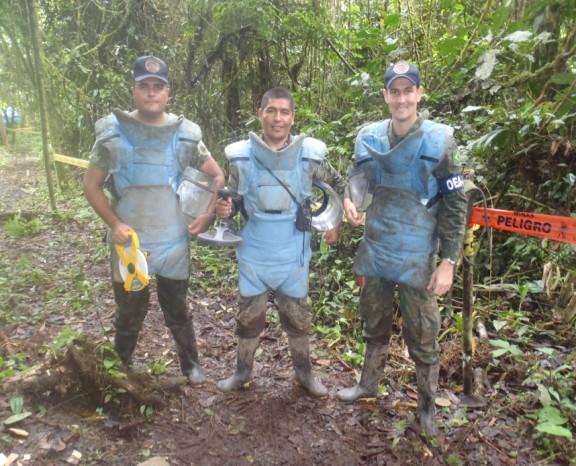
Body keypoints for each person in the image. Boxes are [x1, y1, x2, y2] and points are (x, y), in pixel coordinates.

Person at [336, 61, 468, 436]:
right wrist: (350, 199)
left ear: (419, 95)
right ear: (385, 96)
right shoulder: (369, 136)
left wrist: (448, 261)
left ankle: (426, 408)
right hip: (377, 245)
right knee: (373, 321)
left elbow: (456, 204)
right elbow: (358, 178)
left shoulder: (441, 141)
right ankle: (368, 384)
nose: (401, 98)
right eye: (394, 91)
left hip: (418, 252)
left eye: (408, 90)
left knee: (423, 333)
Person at [83, 55, 224, 384]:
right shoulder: (112, 134)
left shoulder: (186, 135)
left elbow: (216, 176)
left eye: (157, 87)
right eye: (143, 86)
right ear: (133, 90)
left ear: (167, 92)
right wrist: (114, 224)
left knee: (177, 308)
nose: (150, 93)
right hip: (129, 243)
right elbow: (91, 186)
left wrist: (205, 216)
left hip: (173, 240)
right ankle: (119, 371)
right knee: (129, 312)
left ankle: (191, 365)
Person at [215, 87, 346, 397]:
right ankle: (242, 372)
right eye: (271, 110)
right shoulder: (239, 157)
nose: (277, 118)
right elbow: (231, 200)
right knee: (248, 318)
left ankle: (305, 374)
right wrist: (226, 209)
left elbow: (338, 186)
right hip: (254, 251)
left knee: (298, 319)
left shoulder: (311, 156)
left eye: (284, 112)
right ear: (260, 114)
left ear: (293, 117)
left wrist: (334, 222)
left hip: (293, 252)